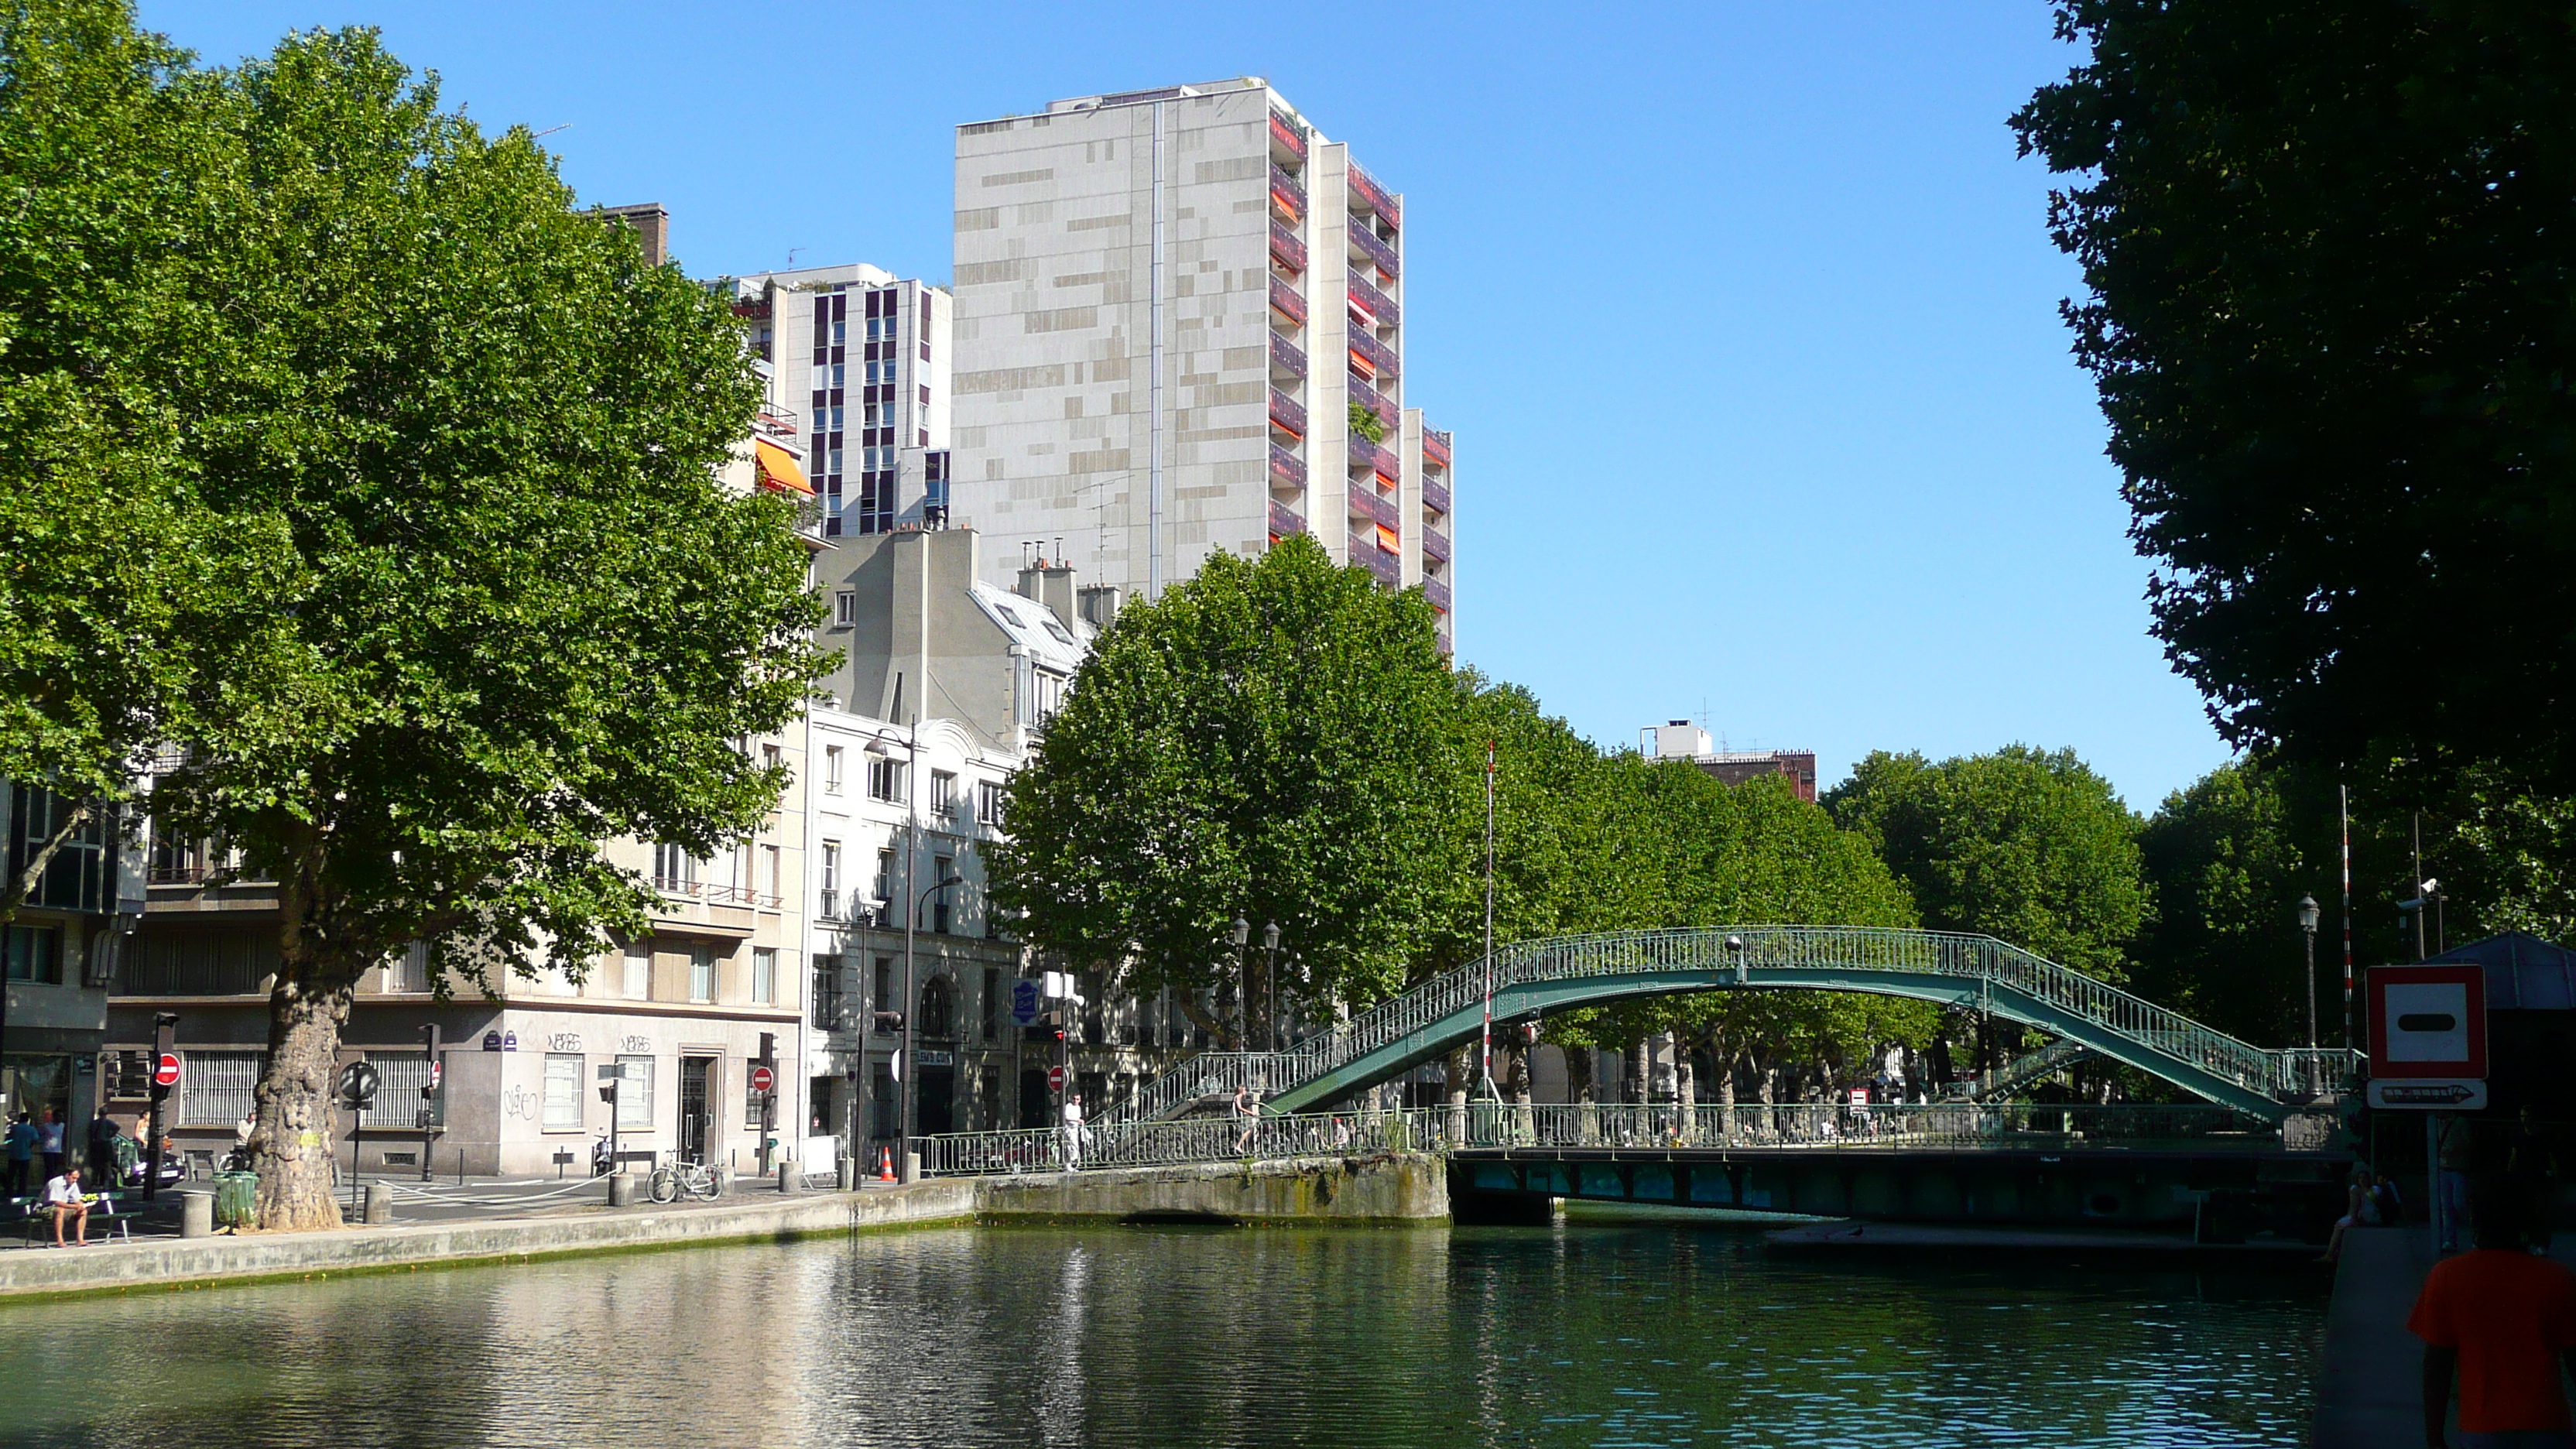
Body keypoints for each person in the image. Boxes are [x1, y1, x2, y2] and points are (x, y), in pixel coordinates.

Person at [2411, 1175, 2576, 1447]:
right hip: (2548, 1424)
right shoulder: (2558, 1279)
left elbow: (2437, 1365)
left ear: (2474, 1217)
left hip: (2481, 1427)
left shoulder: (2447, 1277)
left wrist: (2435, 1436)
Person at [2322, 1165, 2385, 1265]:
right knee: (2340, 1226)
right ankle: (2332, 1254)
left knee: (2339, 1226)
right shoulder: (2363, 1190)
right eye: (2360, 1178)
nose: (2362, 1180)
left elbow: (2373, 1206)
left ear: (2369, 1179)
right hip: (2363, 1215)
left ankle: (2330, 1254)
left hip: (2368, 1217)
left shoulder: (2372, 1190)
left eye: (2364, 1178)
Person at [43, 1163, 92, 1248]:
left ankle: (80, 1240)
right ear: (67, 1175)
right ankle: (60, 1241)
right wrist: (74, 1207)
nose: (75, 1181)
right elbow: (56, 1202)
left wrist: (82, 1206)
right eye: (73, 1178)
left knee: (83, 1211)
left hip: (62, 1207)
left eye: (77, 1178)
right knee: (60, 1210)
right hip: (46, 1208)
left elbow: (77, 1199)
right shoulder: (56, 1183)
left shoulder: (73, 1184)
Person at [85, 1105, 120, 1187]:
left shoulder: (94, 1123)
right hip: (105, 1143)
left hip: (96, 1144)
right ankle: (105, 1182)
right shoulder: (108, 1122)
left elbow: (90, 1133)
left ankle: (95, 1182)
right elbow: (117, 1127)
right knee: (106, 1164)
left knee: (97, 1164)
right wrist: (111, 1135)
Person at [4, 1112, 33, 1197]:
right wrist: (30, 1145)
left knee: (11, 1175)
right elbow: (35, 1139)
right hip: (25, 1155)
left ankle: (9, 1192)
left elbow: (9, 1137)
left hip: (14, 1154)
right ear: (28, 1119)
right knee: (23, 1176)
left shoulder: (15, 1128)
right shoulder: (31, 1129)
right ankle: (21, 1193)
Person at [36, 1108, 64, 1181]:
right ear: (54, 1117)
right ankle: (47, 1185)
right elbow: (38, 1135)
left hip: (58, 1151)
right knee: (49, 1170)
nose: (60, 1118)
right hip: (48, 1151)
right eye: (59, 1116)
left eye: (62, 1116)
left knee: (55, 1170)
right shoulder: (46, 1126)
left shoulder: (63, 1126)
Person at [1060, 1093, 1083, 1171]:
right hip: (1069, 1129)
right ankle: (1068, 1164)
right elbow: (1066, 1117)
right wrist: (1076, 1120)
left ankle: (1072, 1163)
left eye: (1077, 1099)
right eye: (1074, 1099)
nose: (1076, 1101)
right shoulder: (1069, 1106)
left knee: (1075, 1146)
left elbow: (1078, 1117)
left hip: (1075, 1129)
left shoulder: (1078, 1108)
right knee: (1071, 1146)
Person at [1233, 1085, 1259, 1156]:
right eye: (1245, 1090)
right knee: (1248, 1130)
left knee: (1246, 1130)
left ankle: (1242, 1145)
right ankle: (1238, 1145)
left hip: (1239, 1116)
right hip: (1237, 1117)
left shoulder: (1240, 1097)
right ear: (1241, 1091)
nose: (1246, 1092)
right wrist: (1251, 1113)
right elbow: (1240, 1108)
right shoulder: (1238, 1097)